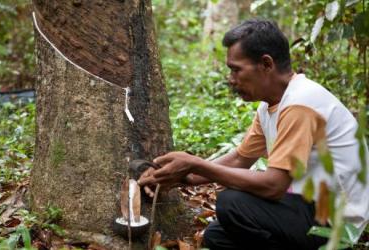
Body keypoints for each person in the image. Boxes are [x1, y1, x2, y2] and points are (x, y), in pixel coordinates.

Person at [138, 19, 369, 250]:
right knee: (217, 236)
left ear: (266, 64)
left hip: (336, 223)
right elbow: (240, 159)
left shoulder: (301, 104)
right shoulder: (271, 106)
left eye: (236, 69)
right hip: (308, 207)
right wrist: (181, 176)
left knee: (232, 203)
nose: (231, 79)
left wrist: (195, 164)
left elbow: (273, 185)